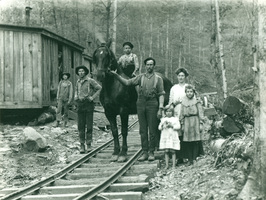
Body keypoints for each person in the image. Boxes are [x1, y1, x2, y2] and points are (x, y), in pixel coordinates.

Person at [110, 57, 165, 161]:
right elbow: (127, 83)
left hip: (153, 103)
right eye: (148, 65)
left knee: (152, 130)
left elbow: (161, 94)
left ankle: (151, 152)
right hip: (141, 103)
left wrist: (160, 108)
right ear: (145, 66)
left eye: (151, 64)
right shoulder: (140, 77)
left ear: (154, 66)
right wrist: (116, 75)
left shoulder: (158, 79)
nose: (149, 66)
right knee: (142, 130)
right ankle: (144, 152)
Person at [74, 65, 102, 154]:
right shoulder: (78, 81)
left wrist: (93, 97)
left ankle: (89, 144)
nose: (81, 73)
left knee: (89, 125)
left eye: (82, 71)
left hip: (88, 104)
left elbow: (99, 88)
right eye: (79, 71)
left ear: (85, 72)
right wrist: (76, 96)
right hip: (80, 104)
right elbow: (76, 89)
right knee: (80, 125)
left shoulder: (90, 80)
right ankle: (82, 145)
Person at [168, 67, 189, 165]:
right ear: (177, 77)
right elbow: (170, 102)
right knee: (178, 135)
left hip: (187, 112)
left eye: (182, 76)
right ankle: (179, 157)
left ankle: (187, 156)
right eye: (179, 76)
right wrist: (172, 105)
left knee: (186, 134)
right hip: (177, 112)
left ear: (185, 77)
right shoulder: (174, 88)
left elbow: (193, 98)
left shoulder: (188, 87)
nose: (181, 78)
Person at [179, 84, 204, 165]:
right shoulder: (183, 101)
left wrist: (201, 123)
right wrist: (182, 124)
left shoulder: (197, 101)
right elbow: (181, 114)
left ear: (193, 92)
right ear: (185, 92)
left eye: (191, 92)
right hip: (186, 122)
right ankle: (189, 159)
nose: (189, 93)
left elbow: (200, 112)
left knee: (195, 141)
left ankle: (194, 158)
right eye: (187, 92)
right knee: (187, 141)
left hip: (195, 121)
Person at [158, 105, 180, 170]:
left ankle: (173, 165)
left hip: (172, 136)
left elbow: (178, 127)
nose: (168, 113)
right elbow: (159, 128)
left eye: (170, 111)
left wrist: (172, 126)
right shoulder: (163, 119)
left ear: (172, 112)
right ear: (165, 112)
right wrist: (162, 125)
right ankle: (167, 165)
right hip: (166, 136)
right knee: (166, 151)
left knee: (173, 151)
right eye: (167, 111)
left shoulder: (175, 119)